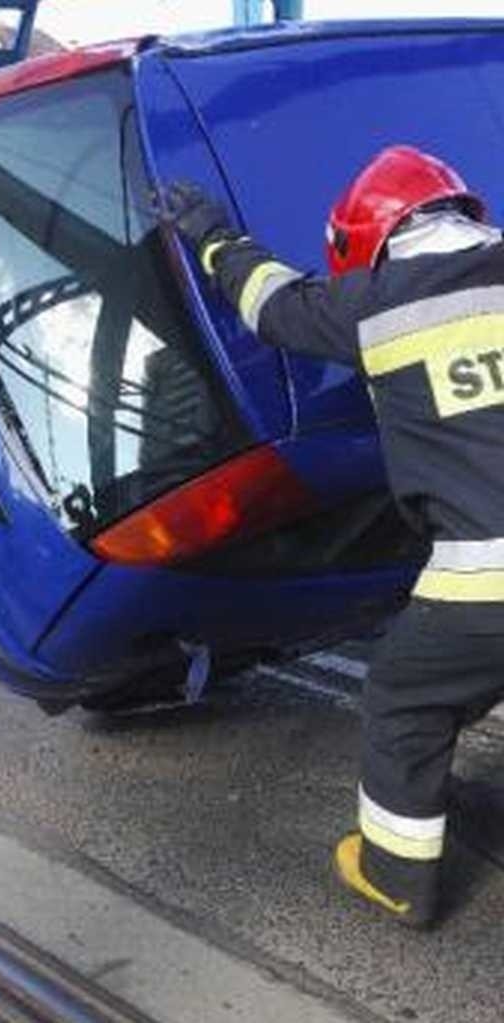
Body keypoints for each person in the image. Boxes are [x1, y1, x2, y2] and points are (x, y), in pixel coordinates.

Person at [162, 145, 504, 928]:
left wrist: (209, 231)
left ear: (368, 241)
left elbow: (269, 303)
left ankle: (396, 873)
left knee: (405, 696)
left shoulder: (374, 306)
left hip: (486, 583)